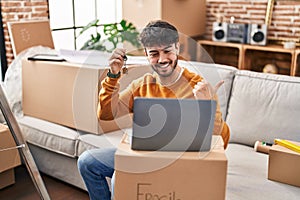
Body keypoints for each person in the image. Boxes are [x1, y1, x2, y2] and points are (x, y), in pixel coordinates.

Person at [78, 20, 230, 200]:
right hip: (144, 155)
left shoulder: (198, 86)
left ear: (177, 49)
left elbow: (222, 141)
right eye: (154, 53)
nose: (162, 59)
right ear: (146, 55)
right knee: (87, 161)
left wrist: (206, 108)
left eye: (167, 51)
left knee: (119, 178)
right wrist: (113, 76)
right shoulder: (143, 84)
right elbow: (106, 114)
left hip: (180, 161)